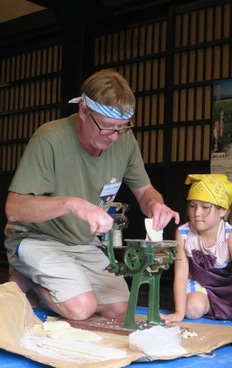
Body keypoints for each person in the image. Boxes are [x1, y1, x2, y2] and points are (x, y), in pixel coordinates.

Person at [4, 68, 179, 321]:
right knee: (82, 308)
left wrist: (156, 205)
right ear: (84, 111)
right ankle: (29, 280)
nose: (115, 137)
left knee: (119, 310)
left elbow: (145, 192)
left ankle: (53, 280)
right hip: (38, 237)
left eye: (122, 127)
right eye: (107, 127)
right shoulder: (49, 138)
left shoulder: (125, 141)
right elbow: (14, 208)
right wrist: (72, 204)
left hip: (84, 242)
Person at [161, 174, 232, 328]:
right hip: (201, 284)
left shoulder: (231, 234)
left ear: (222, 210)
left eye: (205, 207)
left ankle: (229, 310)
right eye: (193, 206)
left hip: (230, 287)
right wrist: (178, 313)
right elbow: (181, 275)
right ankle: (210, 306)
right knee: (193, 310)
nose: (197, 213)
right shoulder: (183, 232)